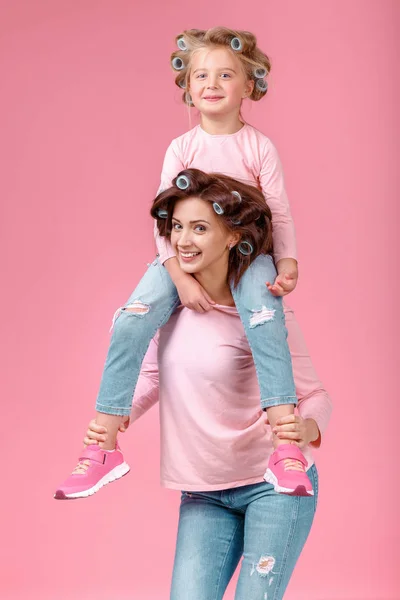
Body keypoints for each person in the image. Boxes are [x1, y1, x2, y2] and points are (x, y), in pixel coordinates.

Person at [55, 26, 320, 499]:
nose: (211, 83)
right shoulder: (181, 148)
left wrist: (288, 260)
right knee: (129, 324)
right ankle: (102, 445)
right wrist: (177, 276)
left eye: (225, 74)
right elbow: (164, 221)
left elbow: (277, 208)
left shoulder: (258, 147)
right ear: (188, 87)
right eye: (201, 75)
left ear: (249, 85)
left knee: (265, 320)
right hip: (179, 256)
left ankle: (285, 445)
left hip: (248, 255)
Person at [82, 170, 332, 599]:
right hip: (204, 492)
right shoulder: (171, 312)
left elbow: (315, 396)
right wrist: (118, 417)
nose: (183, 240)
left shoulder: (264, 316)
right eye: (177, 227)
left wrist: (307, 430)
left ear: (234, 238)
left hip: (272, 488)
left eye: (200, 228)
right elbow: (154, 376)